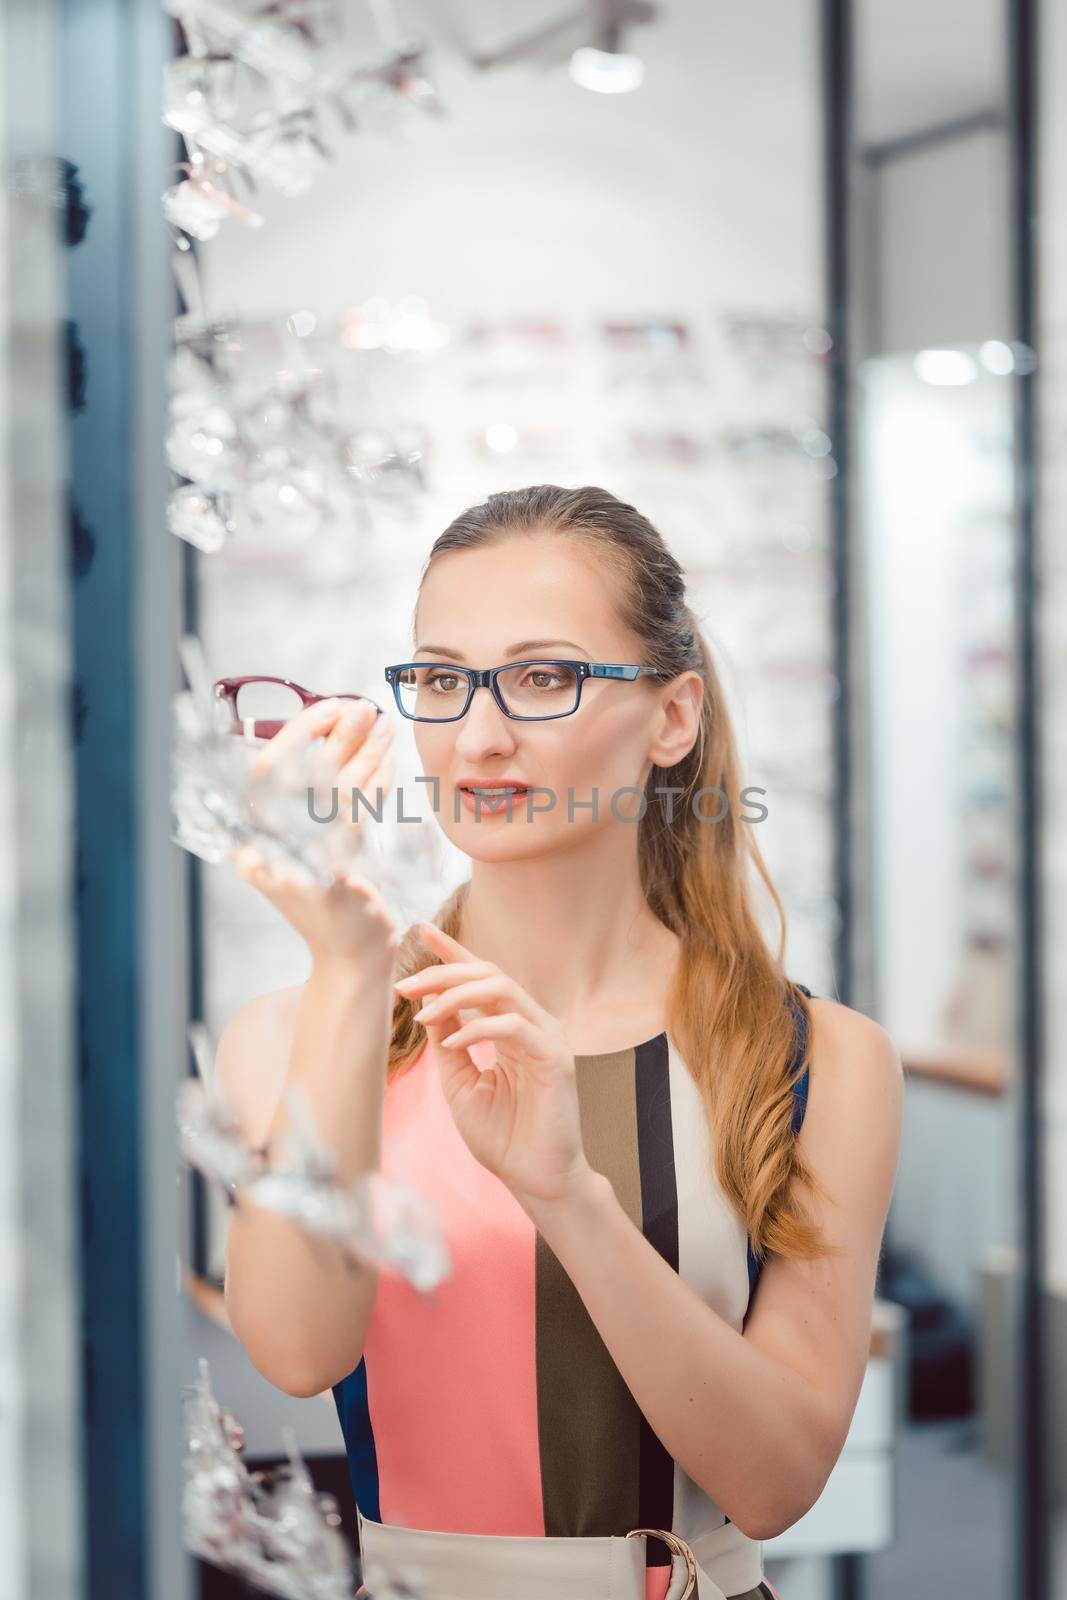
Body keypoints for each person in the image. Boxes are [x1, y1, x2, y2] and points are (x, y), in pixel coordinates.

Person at [217, 484, 904, 1600]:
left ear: (671, 716)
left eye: (544, 678)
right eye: (441, 680)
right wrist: (347, 963)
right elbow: (298, 1350)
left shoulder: (818, 1057)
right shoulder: (298, 1032)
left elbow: (775, 1481)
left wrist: (567, 1195)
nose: (479, 738)